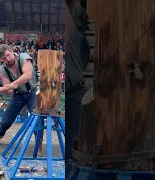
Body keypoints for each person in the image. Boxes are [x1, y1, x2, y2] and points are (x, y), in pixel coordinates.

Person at [0, 44, 37, 143]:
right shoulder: (3, 69)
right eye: (4, 58)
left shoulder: (23, 57)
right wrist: (3, 90)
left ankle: (38, 142)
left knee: (36, 117)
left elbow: (27, 75)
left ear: (11, 51)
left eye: (8, 55)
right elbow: (10, 91)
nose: (7, 59)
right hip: (18, 95)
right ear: (1, 60)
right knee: (6, 119)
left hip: (32, 92)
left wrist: (11, 85)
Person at [65, 0, 89, 176]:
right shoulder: (72, 17)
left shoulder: (72, 18)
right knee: (72, 148)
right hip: (73, 87)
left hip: (73, 89)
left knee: (73, 148)